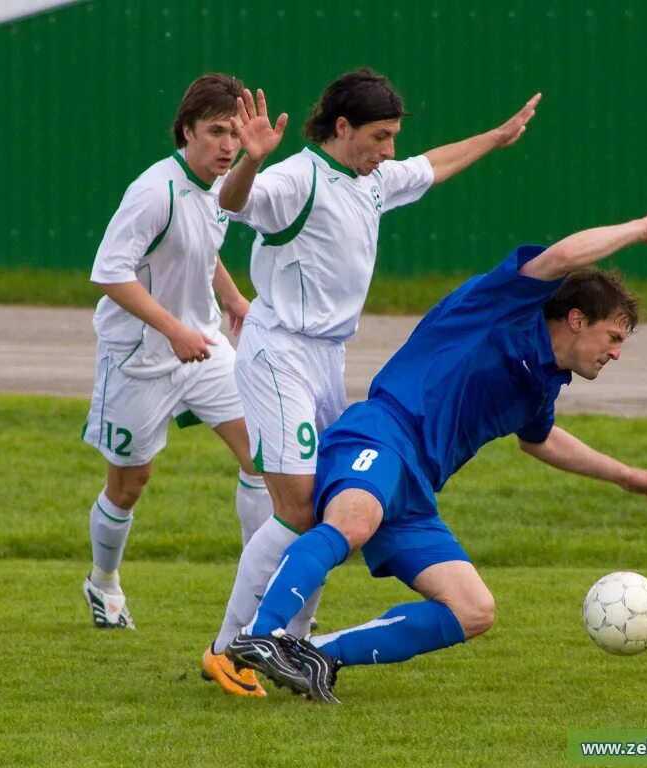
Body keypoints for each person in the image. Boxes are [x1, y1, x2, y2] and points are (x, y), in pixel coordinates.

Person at [224, 203, 647, 703]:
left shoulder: (542, 387)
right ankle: (264, 635)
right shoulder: (500, 307)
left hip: (416, 489)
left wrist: (625, 475)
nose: (616, 352)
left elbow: (541, 440)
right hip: (380, 435)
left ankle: (316, 653)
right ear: (576, 319)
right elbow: (562, 256)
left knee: (473, 610)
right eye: (613, 337)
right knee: (353, 522)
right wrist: (639, 230)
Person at [206, 68, 543, 692]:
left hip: (327, 360)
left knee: (326, 505)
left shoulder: (372, 179)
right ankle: (229, 649)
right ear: (343, 128)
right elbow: (230, 201)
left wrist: (495, 138)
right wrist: (249, 162)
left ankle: (289, 643)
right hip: (279, 353)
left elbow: (432, 165)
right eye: (381, 136)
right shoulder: (294, 180)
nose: (390, 151)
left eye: (393, 138)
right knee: (298, 510)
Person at [81, 73, 271, 698]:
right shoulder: (152, 191)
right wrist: (173, 330)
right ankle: (104, 584)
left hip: (205, 347)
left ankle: (262, 602)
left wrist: (232, 299)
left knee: (262, 458)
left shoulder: (218, 187)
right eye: (214, 131)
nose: (226, 144)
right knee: (130, 483)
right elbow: (110, 273)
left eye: (234, 132)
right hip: (138, 356)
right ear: (187, 131)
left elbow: (202, 246)